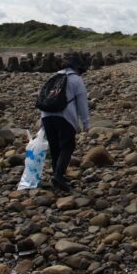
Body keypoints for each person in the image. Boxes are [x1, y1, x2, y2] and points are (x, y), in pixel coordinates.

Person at [40, 53, 90, 193]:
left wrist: (42, 121)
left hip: (46, 115)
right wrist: (86, 123)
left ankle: (58, 175)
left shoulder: (53, 76)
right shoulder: (76, 80)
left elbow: (45, 97)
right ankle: (58, 176)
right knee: (67, 146)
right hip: (64, 116)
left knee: (55, 147)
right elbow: (82, 103)